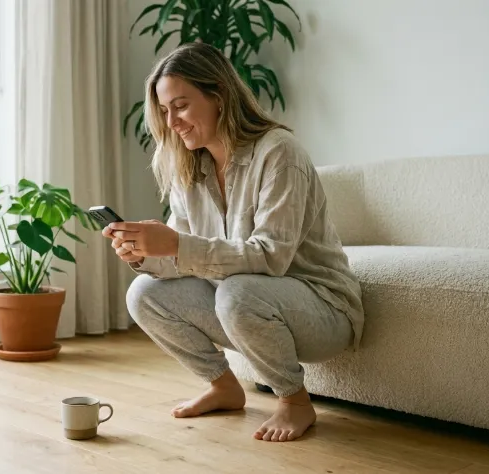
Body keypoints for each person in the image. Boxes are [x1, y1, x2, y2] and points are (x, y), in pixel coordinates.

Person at [102, 42, 364, 443]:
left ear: (219, 97)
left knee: (237, 293)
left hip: (321, 307)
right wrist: (145, 252)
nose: (172, 121)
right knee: (143, 293)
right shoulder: (189, 166)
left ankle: (294, 400)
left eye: (182, 106)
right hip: (245, 302)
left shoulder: (279, 153)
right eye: (165, 110)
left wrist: (175, 244)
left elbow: (271, 258)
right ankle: (223, 386)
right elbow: (185, 257)